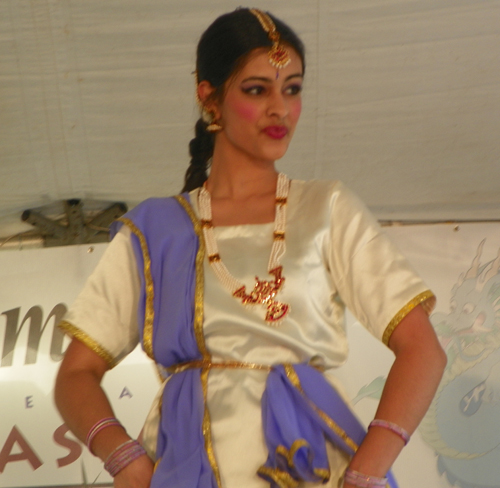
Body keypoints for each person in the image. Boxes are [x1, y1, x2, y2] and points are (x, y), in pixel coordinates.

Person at [55, 7, 446, 488]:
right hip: (184, 463)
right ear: (210, 99)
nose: (280, 109)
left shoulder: (327, 208)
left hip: (312, 463)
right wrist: (126, 460)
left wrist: (367, 471)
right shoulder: (154, 230)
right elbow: (76, 374)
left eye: (293, 89)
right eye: (257, 90)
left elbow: (422, 349)